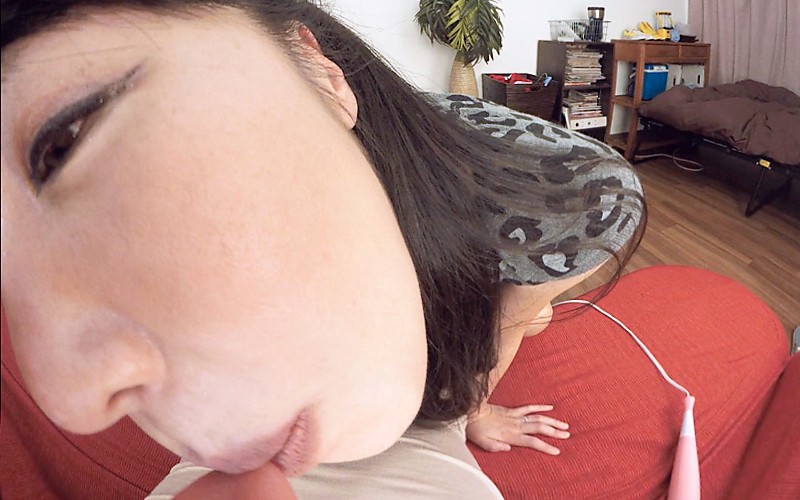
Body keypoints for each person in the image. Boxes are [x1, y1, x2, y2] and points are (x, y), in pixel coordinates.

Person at [0, 1, 645, 497]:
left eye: (63, 145)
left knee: (532, 315)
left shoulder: (578, 202)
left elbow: (509, 317)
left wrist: (475, 409)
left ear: (319, 74)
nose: (67, 400)